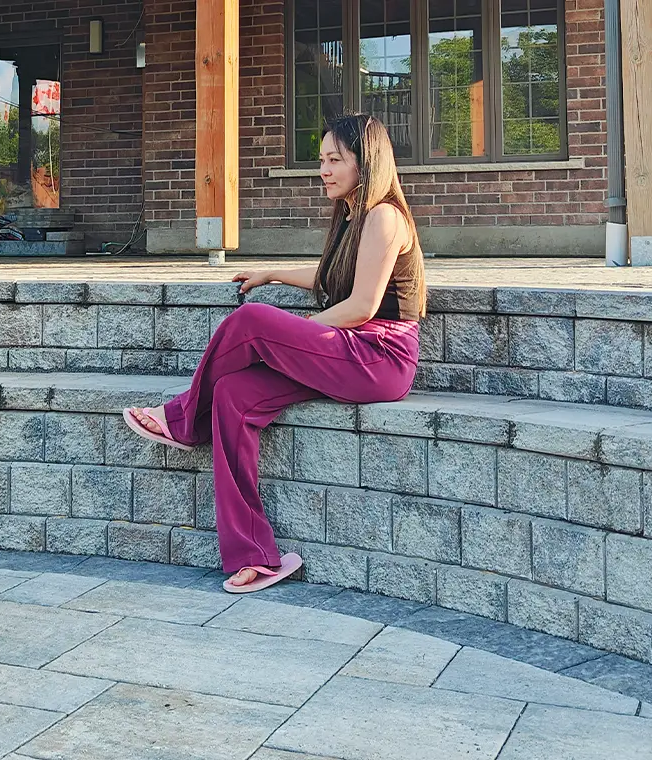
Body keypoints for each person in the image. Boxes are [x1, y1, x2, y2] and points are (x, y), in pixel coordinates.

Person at [120, 113, 426, 594]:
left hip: (379, 357)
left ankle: (182, 417)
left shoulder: (385, 216)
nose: (323, 170)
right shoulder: (352, 216)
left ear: (365, 162)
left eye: (334, 160)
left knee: (253, 322)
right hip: (351, 353)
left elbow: (362, 307)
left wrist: (294, 334)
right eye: (321, 160)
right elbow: (333, 278)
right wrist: (273, 273)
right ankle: (254, 556)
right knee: (233, 394)